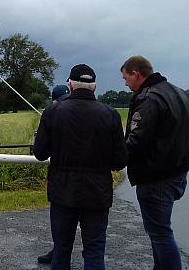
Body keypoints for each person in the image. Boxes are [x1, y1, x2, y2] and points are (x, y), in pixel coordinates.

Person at [34, 64, 127, 269]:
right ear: (94, 87)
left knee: (62, 248)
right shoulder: (110, 114)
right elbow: (120, 160)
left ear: (71, 85)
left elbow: (40, 153)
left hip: (62, 191)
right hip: (97, 193)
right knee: (94, 249)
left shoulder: (53, 112)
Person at [120, 56, 189, 270]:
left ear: (136, 74)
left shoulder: (149, 99)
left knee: (160, 233)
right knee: (158, 231)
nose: (126, 84)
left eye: (126, 78)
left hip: (156, 175)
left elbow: (136, 141)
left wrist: (115, 158)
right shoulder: (177, 92)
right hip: (177, 171)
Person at [37, 83, 71, 265]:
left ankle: (58, 252)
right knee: (94, 242)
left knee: (62, 227)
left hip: (62, 182)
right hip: (93, 186)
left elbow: (40, 152)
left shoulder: (52, 113)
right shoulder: (102, 112)